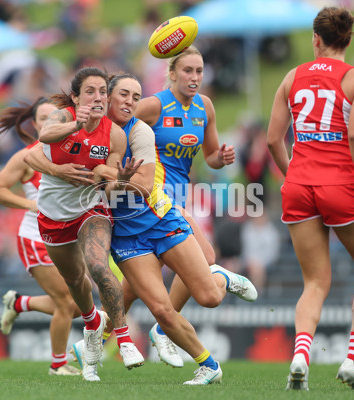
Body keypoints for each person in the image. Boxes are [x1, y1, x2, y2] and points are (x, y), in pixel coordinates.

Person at [26, 72, 232, 384]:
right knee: (160, 309)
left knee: (209, 298)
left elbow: (143, 186)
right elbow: (38, 150)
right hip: (123, 232)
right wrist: (70, 170)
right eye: (123, 94)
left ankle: (217, 277)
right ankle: (209, 366)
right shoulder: (71, 119)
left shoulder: (135, 134)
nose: (129, 102)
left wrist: (112, 175)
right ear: (105, 98)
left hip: (157, 220)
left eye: (136, 97)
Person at [266, 7, 354, 391]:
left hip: (298, 186)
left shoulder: (291, 76)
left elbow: (272, 140)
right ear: (348, 39)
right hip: (340, 186)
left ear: (315, 39)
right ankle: (353, 361)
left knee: (314, 282)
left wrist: (294, 177)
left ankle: (301, 355)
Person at [134, 46, 258, 367]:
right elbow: (116, 131)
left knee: (134, 284)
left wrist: (223, 158)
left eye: (199, 71)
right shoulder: (152, 105)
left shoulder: (205, 107)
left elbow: (212, 157)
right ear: (172, 73)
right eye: (188, 71)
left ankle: (92, 339)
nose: (195, 77)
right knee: (206, 257)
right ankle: (165, 329)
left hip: (179, 197)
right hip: (156, 196)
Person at [31, 67, 144, 381]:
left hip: (91, 209)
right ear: (76, 96)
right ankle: (93, 323)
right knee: (75, 282)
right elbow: (44, 137)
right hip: (53, 217)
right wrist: (76, 125)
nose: (98, 97)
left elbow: (108, 189)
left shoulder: (115, 135)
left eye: (103, 92)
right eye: (90, 91)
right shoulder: (61, 117)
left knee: (97, 265)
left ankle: (123, 338)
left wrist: (120, 180)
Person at [0, 97, 83, 376]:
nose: (49, 122)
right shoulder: (27, 155)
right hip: (35, 237)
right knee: (66, 301)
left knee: (77, 304)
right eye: (43, 118)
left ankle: (19, 303)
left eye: (55, 116)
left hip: (67, 239)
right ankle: (58, 365)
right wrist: (31, 205)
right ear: (36, 125)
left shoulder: (74, 151)